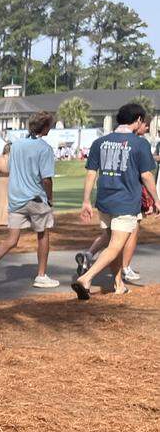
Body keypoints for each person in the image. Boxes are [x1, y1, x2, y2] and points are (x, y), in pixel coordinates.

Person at [72, 102, 160, 299]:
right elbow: (146, 175)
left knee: (113, 244)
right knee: (115, 246)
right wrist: (156, 199)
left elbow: (91, 173)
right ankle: (86, 278)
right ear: (138, 120)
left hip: (104, 200)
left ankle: (118, 284)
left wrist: (86, 201)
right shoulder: (140, 143)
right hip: (126, 201)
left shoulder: (100, 142)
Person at [0, 112, 60, 290]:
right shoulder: (44, 148)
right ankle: (41, 275)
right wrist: (50, 199)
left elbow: (12, 168)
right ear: (45, 127)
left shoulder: (16, 145)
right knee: (43, 235)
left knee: (12, 239)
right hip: (36, 198)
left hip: (16, 198)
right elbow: (46, 179)